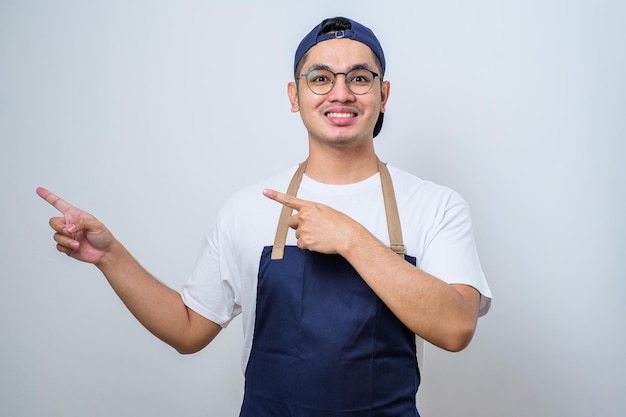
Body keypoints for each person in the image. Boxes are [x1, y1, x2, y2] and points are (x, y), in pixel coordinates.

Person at [37, 16, 492, 417]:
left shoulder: (434, 205)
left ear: (382, 94)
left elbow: (456, 327)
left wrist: (352, 238)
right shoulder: (249, 207)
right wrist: (110, 258)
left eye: (359, 78)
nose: (340, 93)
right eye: (320, 78)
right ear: (295, 95)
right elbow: (188, 330)